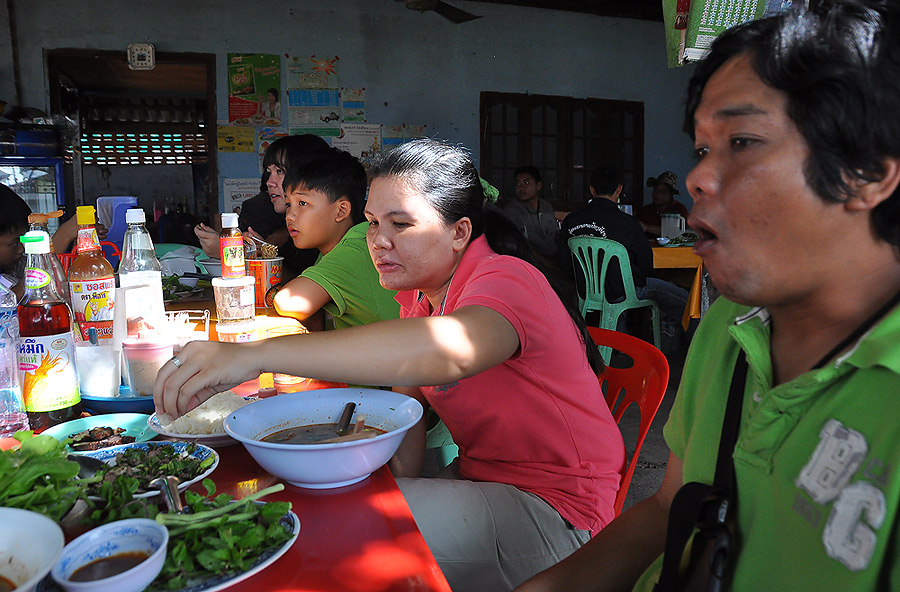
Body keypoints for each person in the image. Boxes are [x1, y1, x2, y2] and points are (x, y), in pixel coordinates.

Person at [517, 1, 900, 590]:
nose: (697, 177)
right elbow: (672, 506)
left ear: (868, 172)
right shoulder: (728, 329)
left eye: (743, 141)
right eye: (702, 149)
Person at [155, 138, 625, 592]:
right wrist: (388, 481)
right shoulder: (419, 298)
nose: (377, 241)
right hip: (484, 478)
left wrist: (253, 356)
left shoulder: (504, 279)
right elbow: (409, 410)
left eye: (401, 225)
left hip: (561, 511)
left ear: (459, 231)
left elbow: (445, 350)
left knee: (325, 531)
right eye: (373, 222)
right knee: (315, 501)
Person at [272, 146, 400, 332]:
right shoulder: (340, 246)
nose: (290, 216)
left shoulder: (354, 250)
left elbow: (289, 302)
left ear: (341, 210)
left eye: (302, 203)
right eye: (288, 204)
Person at [559, 165, 689, 338]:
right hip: (625, 290)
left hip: (586, 290)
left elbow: (565, 264)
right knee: (686, 300)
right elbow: (645, 267)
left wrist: (588, 282)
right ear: (619, 189)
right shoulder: (629, 223)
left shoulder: (571, 220)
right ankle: (692, 344)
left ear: (591, 189)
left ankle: (621, 339)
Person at [194, 134, 327, 279]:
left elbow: (302, 287)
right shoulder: (281, 218)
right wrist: (262, 252)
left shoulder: (328, 232)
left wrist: (229, 254)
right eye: (269, 173)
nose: (270, 182)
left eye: (280, 171)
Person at [502, 166, 560, 264]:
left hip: (553, 258)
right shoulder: (511, 211)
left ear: (539, 186)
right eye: (517, 184)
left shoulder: (546, 207)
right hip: (529, 262)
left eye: (526, 183)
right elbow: (519, 247)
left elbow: (555, 236)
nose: (521, 188)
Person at [0, 184, 30, 300]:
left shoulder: (18, 265)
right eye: (14, 243)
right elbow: (12, 301)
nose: (21, 249)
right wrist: (63, 236)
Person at [638, 170, 689, 237]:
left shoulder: (679, 209)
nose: (657, 194)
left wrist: (647, 227)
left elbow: (675, 232)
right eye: (656, 190)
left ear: (671, 194)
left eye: (663, 192)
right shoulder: (645, 210)